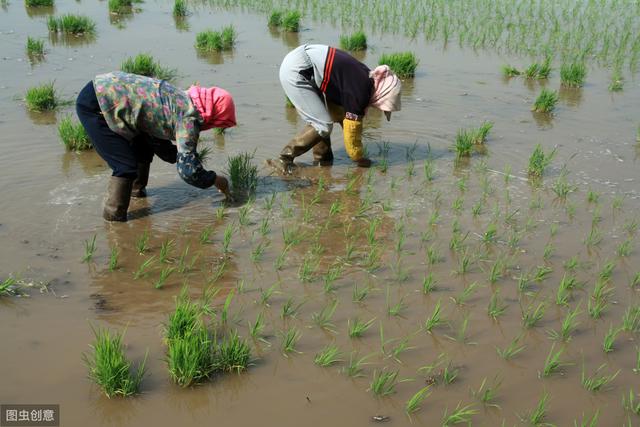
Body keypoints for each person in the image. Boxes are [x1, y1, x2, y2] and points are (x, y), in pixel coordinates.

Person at [76, 71, 236, 222]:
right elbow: (188, 172)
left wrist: (183, 157)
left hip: (101, 89)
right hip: (98, 105)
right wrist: (215, 180)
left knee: (143, 147)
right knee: (124, 166)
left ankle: (135, 193)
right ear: (215, 115)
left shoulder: (180, 100)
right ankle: (114, 222)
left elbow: (157, 142)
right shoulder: (188, 118)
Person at [273, 44, 402, 174]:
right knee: (322, 125)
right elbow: (352, 132)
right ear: (383, 94)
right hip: (298, 70)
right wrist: (359, 158)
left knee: (322, 119)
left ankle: (323, 161)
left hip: (303, 62)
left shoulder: (365, 78)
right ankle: (284, 158)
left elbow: (339, 113)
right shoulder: (361, 92)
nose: (378, 108)